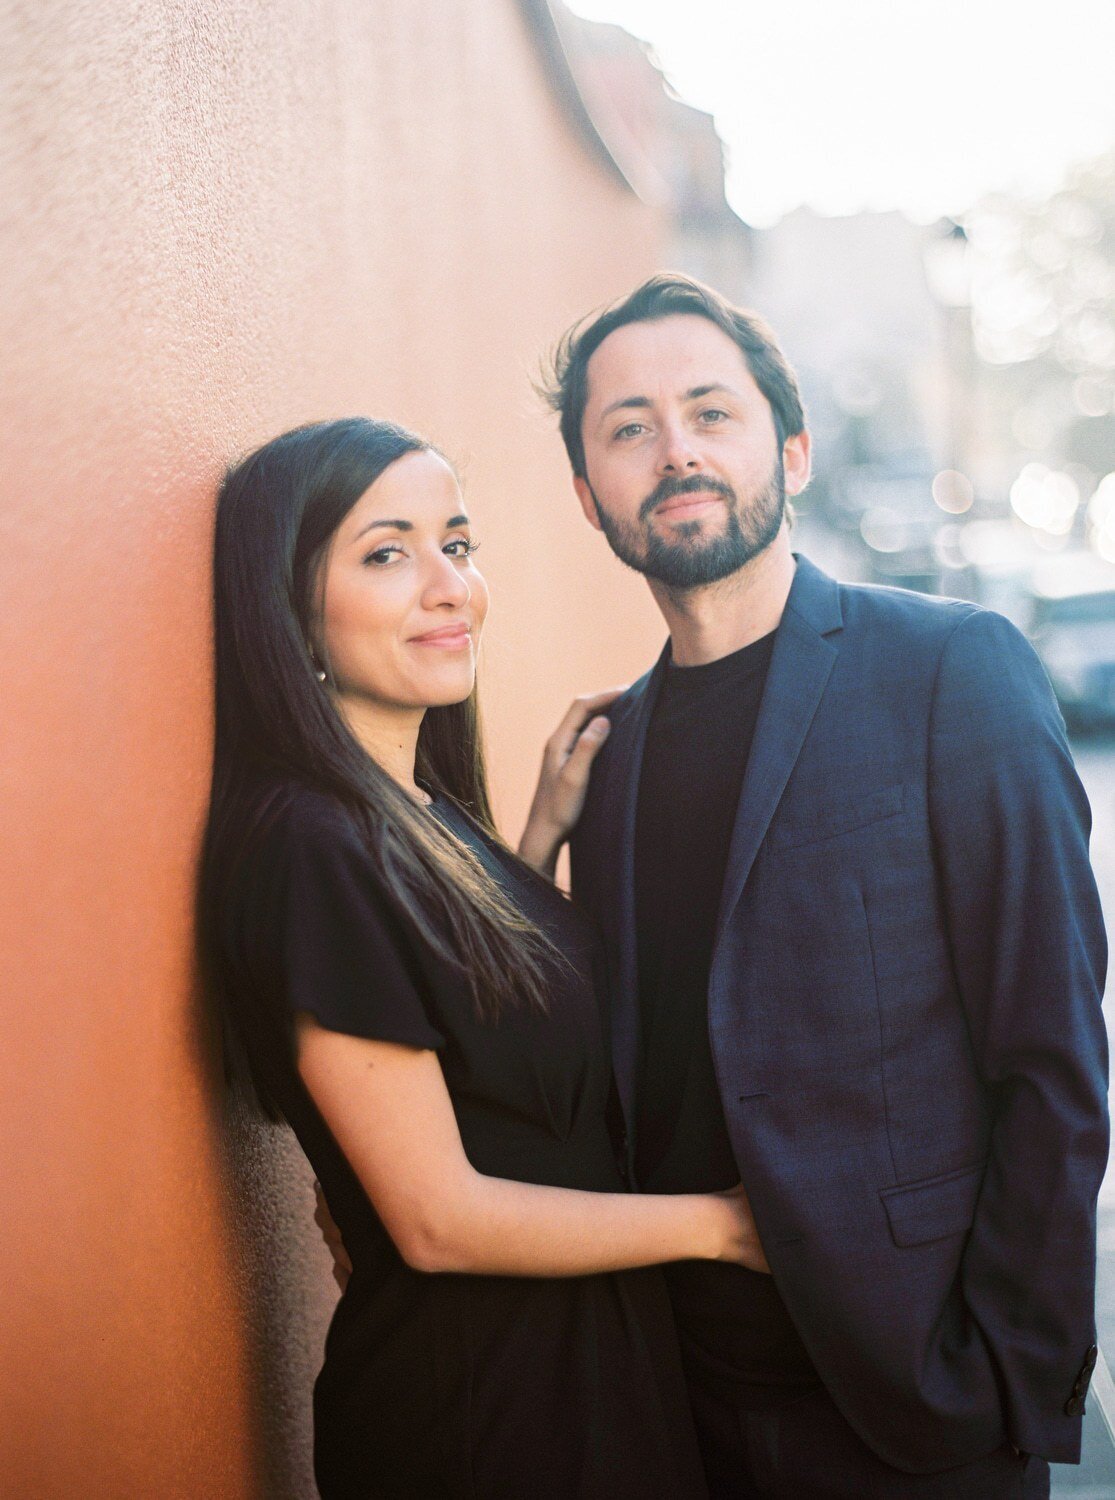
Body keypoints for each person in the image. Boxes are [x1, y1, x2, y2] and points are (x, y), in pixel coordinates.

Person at [530, 272, 1109, 1498]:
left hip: (913, 1408)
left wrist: (1005, 1378)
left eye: (709, 412)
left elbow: (1052, 1059)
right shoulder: (609, 760)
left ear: (787, 446)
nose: (674, 450)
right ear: (587, 494)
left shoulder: (951, 670)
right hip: (678, 1410)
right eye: (627, 428)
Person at [198, 415, 771, 1500]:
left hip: (580, 1374)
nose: (448, 585)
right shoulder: (307, 844)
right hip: (487, 1413)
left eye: (455, 545)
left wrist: (534, 845)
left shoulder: (408, 813)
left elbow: (466, 1030)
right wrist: (730, 1226)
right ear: (289, 609)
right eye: (385, 552)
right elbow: (435, 1217)